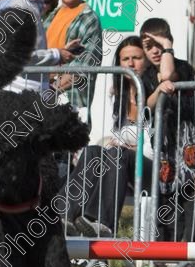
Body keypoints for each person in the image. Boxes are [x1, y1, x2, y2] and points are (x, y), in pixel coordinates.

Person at [65, 36, 153, 237]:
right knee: (92, 152)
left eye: (136, 58)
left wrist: (130, 148)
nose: (130, 64)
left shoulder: (155, 91)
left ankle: (101, 222)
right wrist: (115, 144)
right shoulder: (116, 94)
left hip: (152, 166)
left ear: (146, 60)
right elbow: (111, 135)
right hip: (122, 162)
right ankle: (64, 214)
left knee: (116, 154)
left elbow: (155, 145)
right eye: (125, 59)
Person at [139, 17, 195, 243]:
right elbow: (147, 103)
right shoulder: (145, 76)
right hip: (165, 148)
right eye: (149, 47)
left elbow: (169, 75)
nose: (155, 51)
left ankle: (194, 257)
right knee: (166, 198)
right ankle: (165, 254)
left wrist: (167, 47)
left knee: (193, 195)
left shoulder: (182, 66)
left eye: (160, 46)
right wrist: (158, 90)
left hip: (190, 146)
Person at [5, 0, 82, 93]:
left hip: (31, 91)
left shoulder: (31, 5)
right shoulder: (18, 8)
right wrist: (57, 55)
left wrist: (63, 51)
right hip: (18, 93)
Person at [44, 0, 103, 109]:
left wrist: (51, 91)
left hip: (69, 101)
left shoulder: (89, 18)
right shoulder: (52, 16)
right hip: (43, 93)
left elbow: (83, 66)